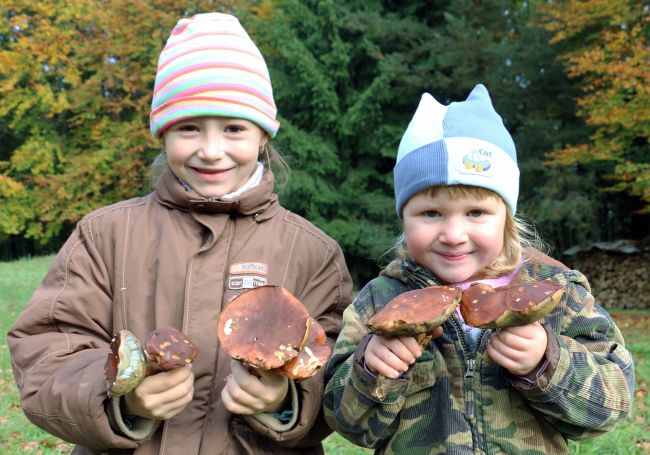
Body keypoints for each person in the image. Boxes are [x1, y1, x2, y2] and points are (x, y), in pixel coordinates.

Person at [8, 12, 352, 454]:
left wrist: (286, 402)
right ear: (163, 132)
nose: (211, 150)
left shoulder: (311, 251)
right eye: (189, 127)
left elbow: (342, 371)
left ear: (263, 135)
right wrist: (122, 396)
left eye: (233, 128)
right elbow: (47, 354)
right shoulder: (105, 236)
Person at [323, 84, 634, 454]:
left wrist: (546, 362)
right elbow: (345, 423)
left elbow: (614, 404)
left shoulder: (556, 291)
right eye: (430, 213)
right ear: (403, 218)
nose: (454, 234)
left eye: (476, 213)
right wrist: (370, 370)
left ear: (506, 217)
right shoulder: (381, 300)